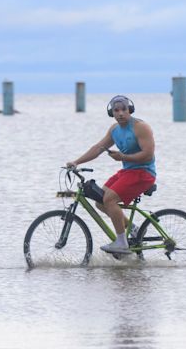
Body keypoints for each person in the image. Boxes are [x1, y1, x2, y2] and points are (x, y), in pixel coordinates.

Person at [66, 95, 156, 254]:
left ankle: (121, 243)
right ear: (111, 113)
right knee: (100, 201)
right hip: (128, 171)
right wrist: (76, 162)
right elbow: (98, 148)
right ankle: (133, 229)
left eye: (124, 110)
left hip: (144, 173)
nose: (120, 113)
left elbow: (148, 155)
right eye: (116, 110)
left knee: (109, 199)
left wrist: (123, 157)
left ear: (130, 110)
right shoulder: (114, 130)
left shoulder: (140, 127)